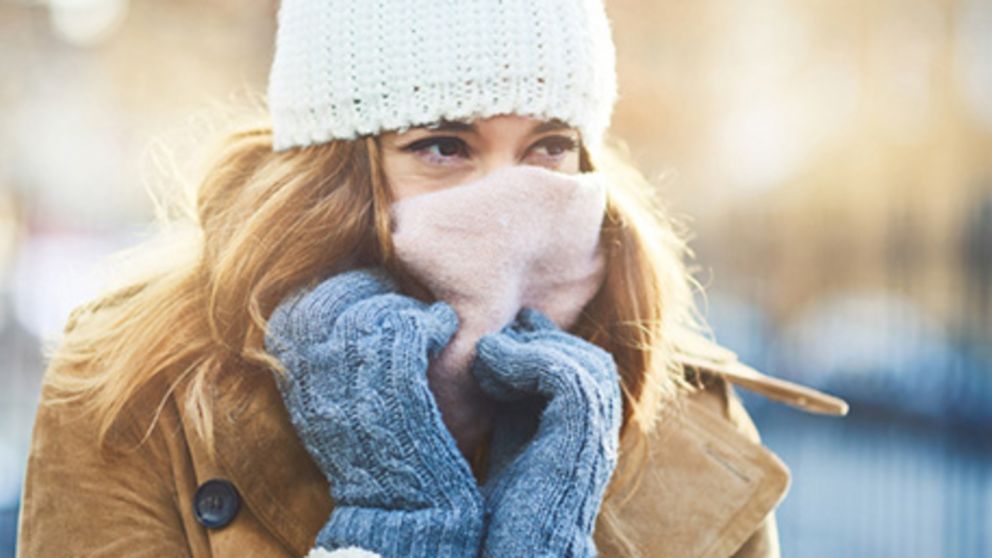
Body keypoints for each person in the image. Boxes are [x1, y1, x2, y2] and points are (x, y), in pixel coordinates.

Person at [15, 1, 849, 557]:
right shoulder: (139, 389)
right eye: (444, 146)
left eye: (549, 146)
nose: (508, 200)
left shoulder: (686, 424)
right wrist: (400, 528)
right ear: (333, 171)